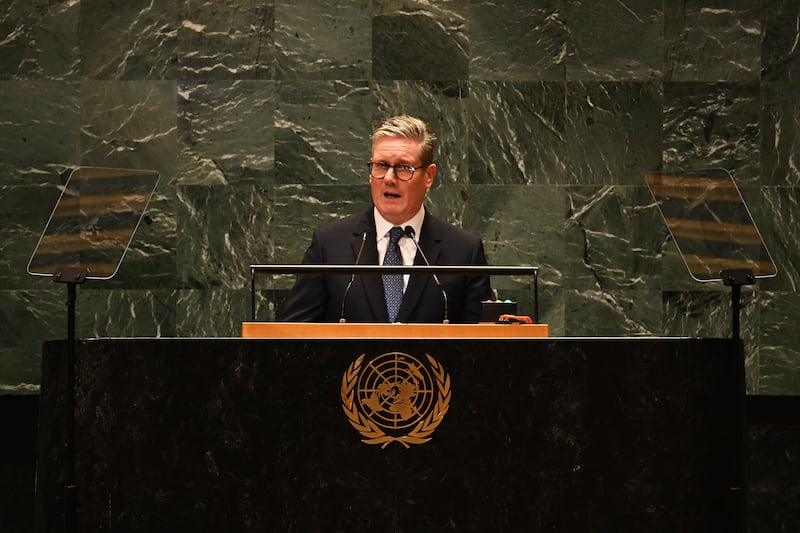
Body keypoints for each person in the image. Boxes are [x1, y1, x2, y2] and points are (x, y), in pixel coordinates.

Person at [282, 115, 493, 323]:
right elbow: (293, 337)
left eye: (404, 168)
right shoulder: (329, 244)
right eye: (381, 165)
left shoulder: (464, 250)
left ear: (429, 176)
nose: (390, 178)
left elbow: (483, 346)